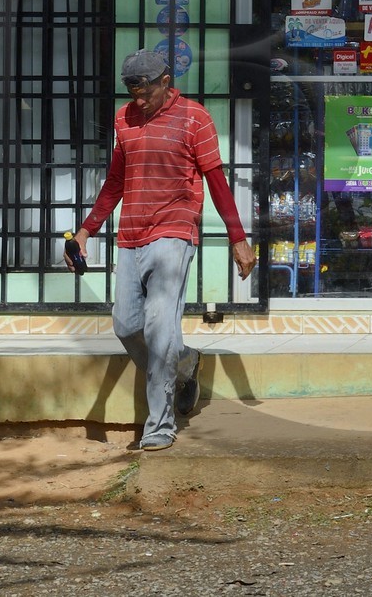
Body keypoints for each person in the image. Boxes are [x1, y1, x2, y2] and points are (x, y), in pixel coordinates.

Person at [65, 48, 256, 451]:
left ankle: (159, 425)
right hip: (132, 234)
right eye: (132, 91)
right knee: (126, 325)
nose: (138, 99)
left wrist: (238, 237)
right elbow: (116, 180)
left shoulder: (194, 117)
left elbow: (217, 182)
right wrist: (86, 231)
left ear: (166, 82)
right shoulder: (124, 118)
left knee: (159, 326)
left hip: (174, 229)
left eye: (145, 90)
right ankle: (186, 365)